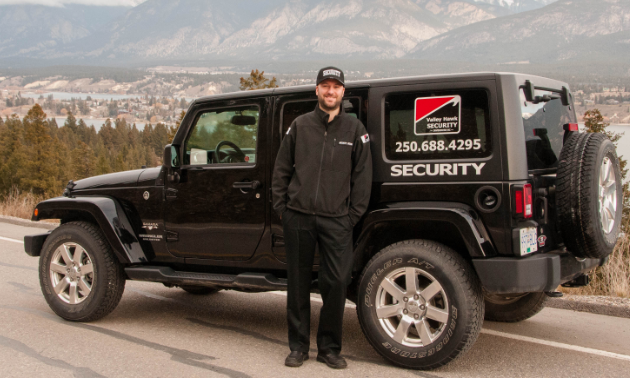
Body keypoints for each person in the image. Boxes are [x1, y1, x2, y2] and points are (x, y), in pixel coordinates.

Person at [272, 66, 372, 369]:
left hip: (337, 220)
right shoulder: (300, 126)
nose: (331, 92)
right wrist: (284, 209)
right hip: (298, 218)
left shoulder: (355, 130)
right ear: (317, 90)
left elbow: (363, 176)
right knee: (299, 283)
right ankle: (298, 347)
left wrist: (351, 216)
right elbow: (281, 170)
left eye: (336, 87)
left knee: (337, 282)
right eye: (325, 86)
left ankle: (329, 348)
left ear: (343, 92)